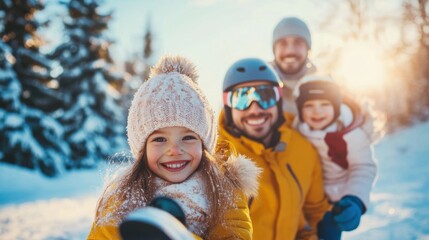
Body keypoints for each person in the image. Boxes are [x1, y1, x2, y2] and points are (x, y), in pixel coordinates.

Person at [87, 55, 261, 239]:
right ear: (142, 149)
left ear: (205, 144)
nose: (175, 150)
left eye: (188, 137)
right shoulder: (122, 198)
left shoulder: (225, 192)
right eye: (160, 139)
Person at [217, 57, 331, 240]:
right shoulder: (214, 158)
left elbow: (314, 212)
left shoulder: (303, 148)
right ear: (229, 106)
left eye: (265, 95)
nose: (254, 109)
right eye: (241, 98)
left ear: (278, 100)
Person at [292, 75, 378, 239]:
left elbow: (363, 167)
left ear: (336, 108)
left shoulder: (350, 134)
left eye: (325, 104)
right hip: (305, 201)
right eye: (309, 105)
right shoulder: (296, 131)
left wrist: (355, 199)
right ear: (300, 110)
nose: (317, 111)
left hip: (335, 204)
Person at [269, 16, 317, 114]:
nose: (290, 51)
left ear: (308, 50)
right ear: (274, 50)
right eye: (283, 43)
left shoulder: (326, 87)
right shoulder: (259, 89)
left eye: (298, 43)